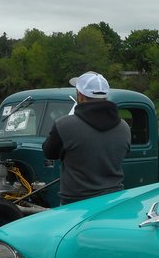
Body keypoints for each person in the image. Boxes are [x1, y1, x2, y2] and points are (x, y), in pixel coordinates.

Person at [42, 71, 131, 204]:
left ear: (80, 96)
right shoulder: (124, 127)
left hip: (76, 202)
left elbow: (49, 152)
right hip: (113, 199)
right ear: (106, 96)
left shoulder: (64, 125)